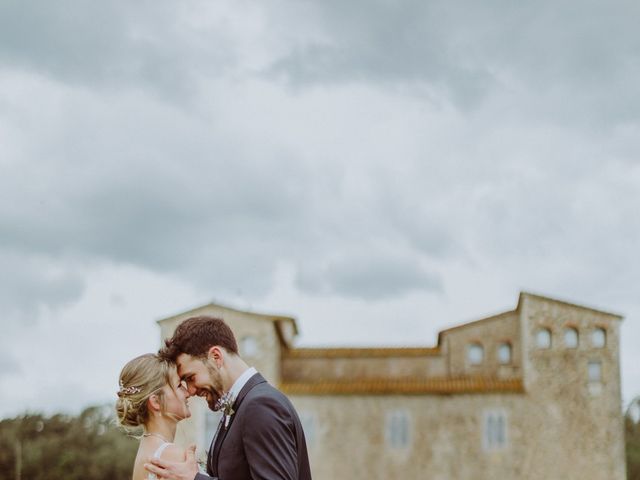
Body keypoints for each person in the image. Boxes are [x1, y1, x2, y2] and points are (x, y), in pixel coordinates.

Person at [144, 316, 312, 480]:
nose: (191, 391)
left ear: (216, 357)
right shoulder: (239, 407)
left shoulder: (260, 406)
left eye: (190, 377)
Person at [116, 353, 192, 480]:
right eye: (179, 385)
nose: (187, 392)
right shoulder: (171, 456)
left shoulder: (146, 450)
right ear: (156, 402)